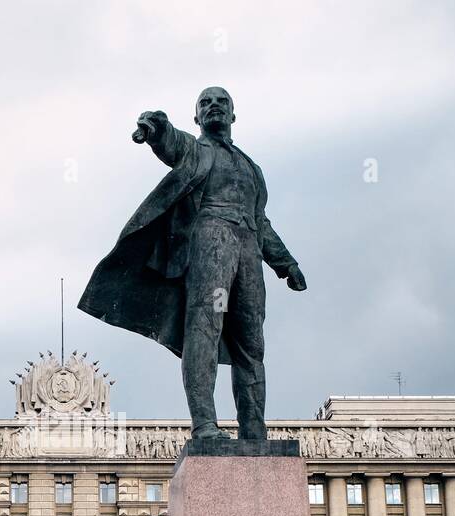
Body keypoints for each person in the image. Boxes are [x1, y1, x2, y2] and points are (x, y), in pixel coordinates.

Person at [79, 87, 307, 441]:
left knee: (252, 341)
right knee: (205, 327)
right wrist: (154, 127)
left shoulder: (252, 168)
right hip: (210, 240)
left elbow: (261, 221)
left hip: (249, 248)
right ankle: (205, 426)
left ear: (233, 115)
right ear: (197, 118)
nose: (213, 106)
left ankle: (254, 432)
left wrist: (286, 263)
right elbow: (169, 140)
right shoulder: (194, 149)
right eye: (205, 103)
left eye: (221, 102)